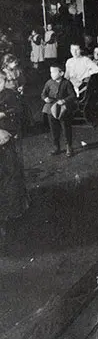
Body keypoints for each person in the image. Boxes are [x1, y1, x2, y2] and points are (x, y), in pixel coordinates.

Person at [0, 70, 27, 240]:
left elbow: (18, 111)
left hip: (8, 137)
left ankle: (14, 209)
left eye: (2, 81)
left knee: (12, 172)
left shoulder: (9, 95)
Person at [41, 63, 76, 157]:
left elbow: (73, 95)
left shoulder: (66, 83)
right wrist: (45, 99)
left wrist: (64, 100)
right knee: (53, 129)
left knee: (65, 128)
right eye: (50, 72)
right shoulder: (49, 82)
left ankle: (69, 147)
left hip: (63, 109)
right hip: (51, 108)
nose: (51, 74)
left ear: (61, 73)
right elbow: (43, 94)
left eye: (53, 72)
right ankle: (56, 147)